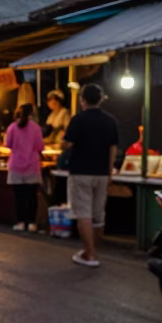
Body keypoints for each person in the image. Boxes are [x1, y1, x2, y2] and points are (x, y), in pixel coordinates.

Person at [62, 84, 119, 267]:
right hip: (102, 173)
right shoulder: (110, 120)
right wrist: (110, 172)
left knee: (83, 214)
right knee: (98, 215)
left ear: (82, 99)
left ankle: (90, 254)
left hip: (81, 172)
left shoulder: (78, 119)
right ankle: (91, 252)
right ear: (100, 100)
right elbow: (113, 148)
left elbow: (67, 145)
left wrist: (62, 142)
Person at [5, 103, 44, 232]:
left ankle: (21, 222)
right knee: (32, 196)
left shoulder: (12, 127)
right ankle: (32, 223)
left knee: (19, 197)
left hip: (16, 165)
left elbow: (8, 145)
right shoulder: (36, 128)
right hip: (32, 165)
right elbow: (40, 147)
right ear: (32, 114)